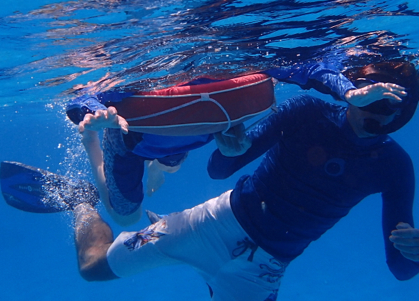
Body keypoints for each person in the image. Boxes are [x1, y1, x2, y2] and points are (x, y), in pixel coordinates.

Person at [66, 60, 419, 301]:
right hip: (212, 224)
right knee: (92, 268)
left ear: (406, 113)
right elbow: (218, 169)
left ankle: (192, 262)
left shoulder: (394, 166)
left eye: (392, 107)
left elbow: (400, 269)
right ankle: (81, 202)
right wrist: (232, 148)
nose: (378, 114)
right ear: (354, 89)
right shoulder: (308, 113)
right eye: (376, 98)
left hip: (261, 274)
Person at [67, 57, 359, 226]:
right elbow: (81, 98)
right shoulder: (140, 74)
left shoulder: (239, 63)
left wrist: (348, 91)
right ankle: (90, 143)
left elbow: (304, 68)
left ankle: (157, 166)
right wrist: (96, 115)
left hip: (182, 139)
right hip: (130, 140)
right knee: (125, 218)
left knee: (170, 166)